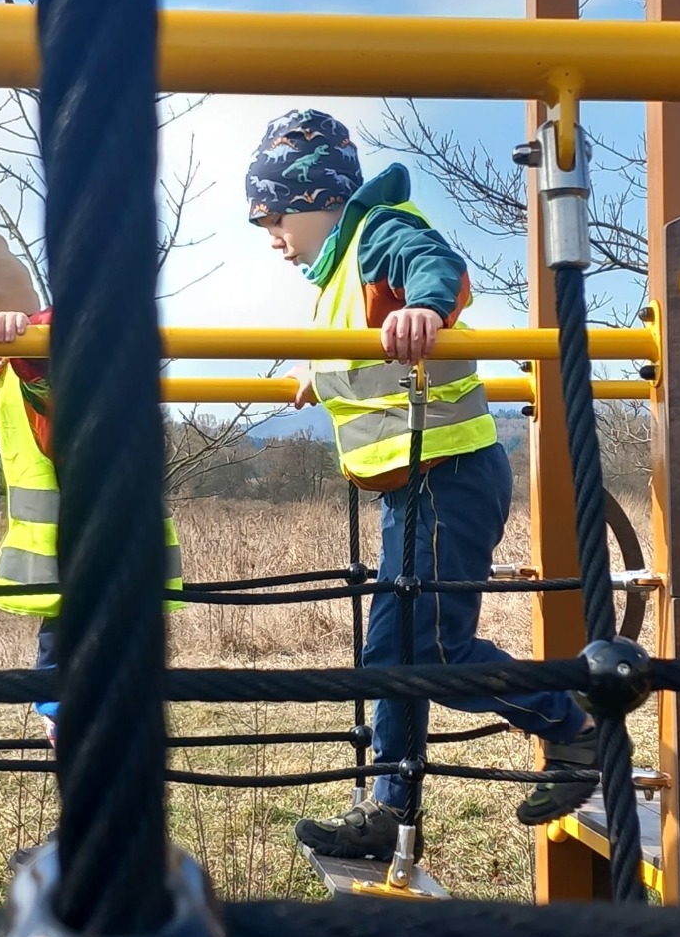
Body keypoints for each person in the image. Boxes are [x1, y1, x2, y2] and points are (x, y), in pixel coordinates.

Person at [247, 109, 597, 862]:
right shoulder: (337, 273)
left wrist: (425, 308)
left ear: (318, 200)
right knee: (392, 654)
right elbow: (359, 350)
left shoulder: (380, 232)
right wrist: (314, 370)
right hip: (414, 491)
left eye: (274, 218)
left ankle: (575, 726)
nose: (271, 237)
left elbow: (438, 266)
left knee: (428, 651)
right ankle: (389, 809)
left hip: (451, 477)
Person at [0, 229, 184, 860]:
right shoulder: (16, 371)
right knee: (69, 704)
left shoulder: (47, 352)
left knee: (80, 702)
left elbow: (66, 363)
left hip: (95, 573)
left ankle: (100, 834)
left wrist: (28, 337)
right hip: (79, 576)